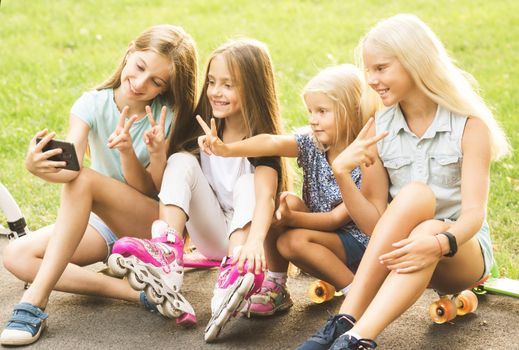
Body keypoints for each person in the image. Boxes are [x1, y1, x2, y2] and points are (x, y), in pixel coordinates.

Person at [297, 14, 511, 350]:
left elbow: (473, 216)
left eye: (381, 68)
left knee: (422, 215)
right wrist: (342, 173)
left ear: (415, 62)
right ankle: (348, 328)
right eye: (369, 70)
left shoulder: (470, 127)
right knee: (414, 198)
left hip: (460, 253)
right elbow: (376, 226)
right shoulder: (379, 128)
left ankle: (355, 336)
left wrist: (439, 243)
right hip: (405, 252)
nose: (371, 80)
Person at [0, 24, 198, 346]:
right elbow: (70, 169)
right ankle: (140, 293)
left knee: (87, 181)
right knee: (17, 256)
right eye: (140, 67)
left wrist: (131, 153)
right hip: (104, 224)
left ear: (166, 88)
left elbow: (154, 191)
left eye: (156, 81)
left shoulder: (166, 116)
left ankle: (34, 301)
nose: (140, 83)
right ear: (130, 52)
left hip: (152, 225)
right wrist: (35, 166)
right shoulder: (91, 104)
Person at [108, 38, 289, 343]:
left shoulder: (261, 141)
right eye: (213, 82)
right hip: (212, 234)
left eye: (228, 85)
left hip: (244, 245)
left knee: (250, 183)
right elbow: (174, 186)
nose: (216, 92)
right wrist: (158, 154)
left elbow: (266, 198)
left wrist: (255, 244)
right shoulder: (201, 128)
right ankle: (167, 252)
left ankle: (232, 276)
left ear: (253, 89)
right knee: (180, 160)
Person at [197, 64, 387, 318]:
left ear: (352, 110)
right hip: (324, 234)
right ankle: (276, 287)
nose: (313, 119)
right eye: (310, 111)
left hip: (358, 243)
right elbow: (272, 142)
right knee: (282, 201)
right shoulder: (313, 143)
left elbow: (336, 219)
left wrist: (291, 219)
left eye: (322, 111)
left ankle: (358, 294)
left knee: (292, 241)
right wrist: (227, 149)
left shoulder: (363, 154)